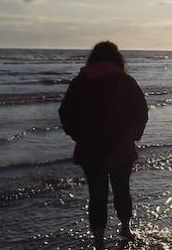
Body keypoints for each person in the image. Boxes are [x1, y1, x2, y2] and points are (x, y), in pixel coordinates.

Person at [59, 41, 149, 247]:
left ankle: (99, 239)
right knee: (121, 189)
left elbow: (65, 112)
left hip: (89, 147)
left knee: (96, 193)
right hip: (120, 146)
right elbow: (141, 112)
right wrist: (134, 135)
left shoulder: (79, 82)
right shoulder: (125, 81)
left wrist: (76, 134)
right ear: (117, 59)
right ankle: (125, 228)